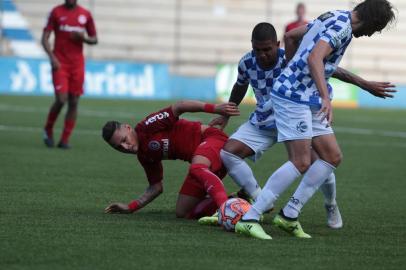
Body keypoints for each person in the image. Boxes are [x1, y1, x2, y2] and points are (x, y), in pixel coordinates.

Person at [235, 0, 397, 240]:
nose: (372, 34)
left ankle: (289, 215)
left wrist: (292, 71)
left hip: (305, 96)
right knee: (300, 161)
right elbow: (315, 58)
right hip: (295, 98)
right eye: (375, 29)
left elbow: (291, 36)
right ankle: (250, 218)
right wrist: (324, 96)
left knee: (332, 157)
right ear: (371, 21)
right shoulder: (343, 27)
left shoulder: (333, 15)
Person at [102, 100, 240, 219]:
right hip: (203, 165)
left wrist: (214, 108)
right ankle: (239, 201)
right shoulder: (144, 156)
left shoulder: (147, 127)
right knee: (182, 212)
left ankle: (225, 212)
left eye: (124, 140)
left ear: (128, 128)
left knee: (197, 167)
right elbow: (156, 187)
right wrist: (130, 207)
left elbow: (179, 106)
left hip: (212, 140)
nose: (126, 147)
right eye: (119, 147)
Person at [42, 0, 98, 149]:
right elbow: (45, 38)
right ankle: (48, 129)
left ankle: (64, 140)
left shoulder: (85, 15)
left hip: (77, 65)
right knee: (61, 99)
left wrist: (84, 38)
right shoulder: (56, 12)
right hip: (60, 63)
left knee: (74, 101)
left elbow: (95, 39)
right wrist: (52, 58)